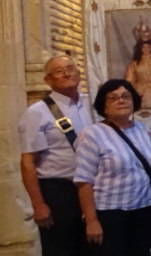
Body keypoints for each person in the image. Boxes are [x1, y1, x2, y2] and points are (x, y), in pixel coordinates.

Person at [19, 55, 93, 256]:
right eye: (59, 71)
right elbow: (28, 162)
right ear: (48, 80)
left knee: (92, 247)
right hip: (59, 192)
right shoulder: (38, 112)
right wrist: (38, 204)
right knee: (61, 248)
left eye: (71, 68)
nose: (67, 73)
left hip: (92, 189)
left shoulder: (92, 104)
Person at [74, 79, 151, 256]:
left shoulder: (143, 130)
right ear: (103, 107)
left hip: (142, 211)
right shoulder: (92, 134)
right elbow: (84, 181)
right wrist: (91, 221)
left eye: (126, 96)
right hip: (109, 215)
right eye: (113, 97)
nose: (121, 101)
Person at [125, 38, 151, 108]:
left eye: (148, 47)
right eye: (143, 47)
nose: (146, 49)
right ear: (140, 48)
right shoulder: (135, 63)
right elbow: (131, 78)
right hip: (139, 89)